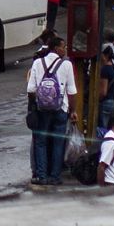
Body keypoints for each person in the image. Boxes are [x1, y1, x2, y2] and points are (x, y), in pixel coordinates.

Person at [25, 33, 79, 186]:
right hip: (60, 109)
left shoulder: (37, 63)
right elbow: (72, 91)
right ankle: (55, 177)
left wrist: (36, 105)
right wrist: (73, 110)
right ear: (56, 48)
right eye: (64, 47)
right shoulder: (66, 65)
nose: (66, 50)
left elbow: (31, 89)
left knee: (40, 142)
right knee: (58, 143)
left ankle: (42, 176)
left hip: (42, 110)